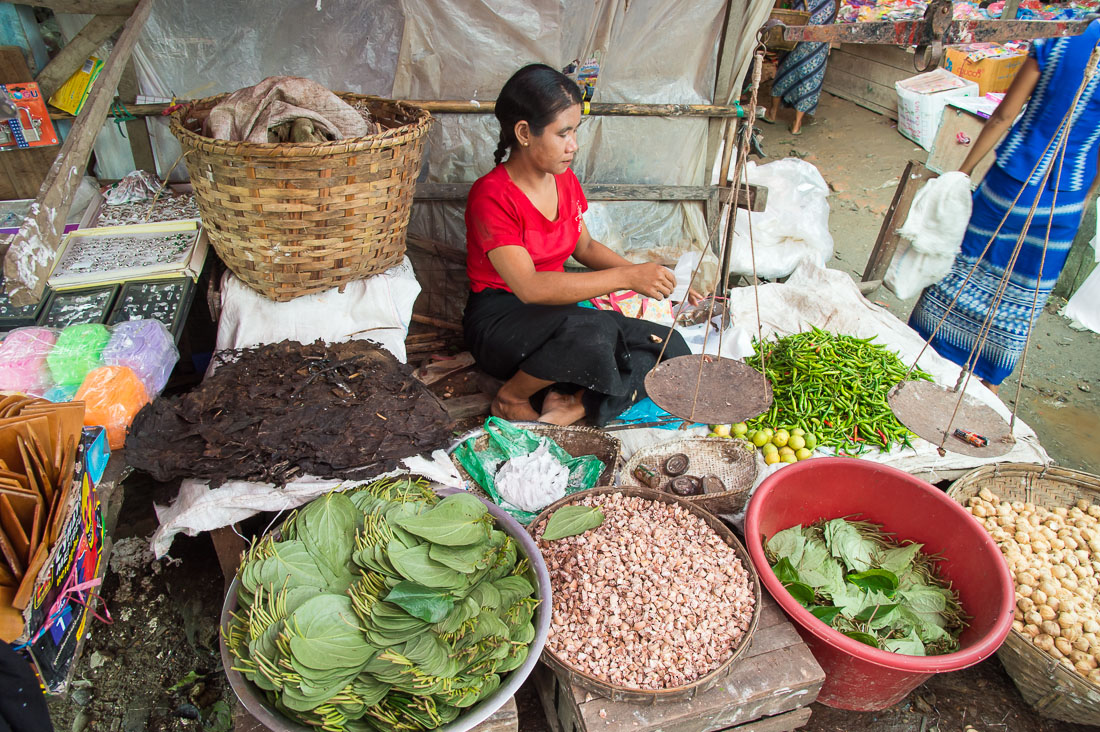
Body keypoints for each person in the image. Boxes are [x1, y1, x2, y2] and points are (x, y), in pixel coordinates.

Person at [463, 63, 696, 427]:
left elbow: (584, 247)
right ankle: (512, 397)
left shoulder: (564, 180)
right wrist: (626, 276)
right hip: (502, 322)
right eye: (563, 133)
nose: (574, 145)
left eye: (576, 131)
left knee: (670, 345)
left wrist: (651, 278)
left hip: (559, 321)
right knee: (596, 333)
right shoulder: (492, 196)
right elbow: (530, 286)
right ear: (524, 132)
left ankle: (577, 405)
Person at [908, 19, 1100, 392]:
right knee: (1021, 296)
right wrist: (1086, 196)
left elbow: (1003, 116)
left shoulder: (1060, 40)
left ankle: (920, 358)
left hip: (1008, 184)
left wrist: (963, 172)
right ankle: (986, 389)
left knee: (962, 272)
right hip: (1063, 203)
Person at [763, 0, 838, 135]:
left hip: (801, 15)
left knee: (787, 63)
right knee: (812, 69)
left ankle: (773, 112)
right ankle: (797, 123)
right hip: (824, 15)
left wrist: (776, 14)